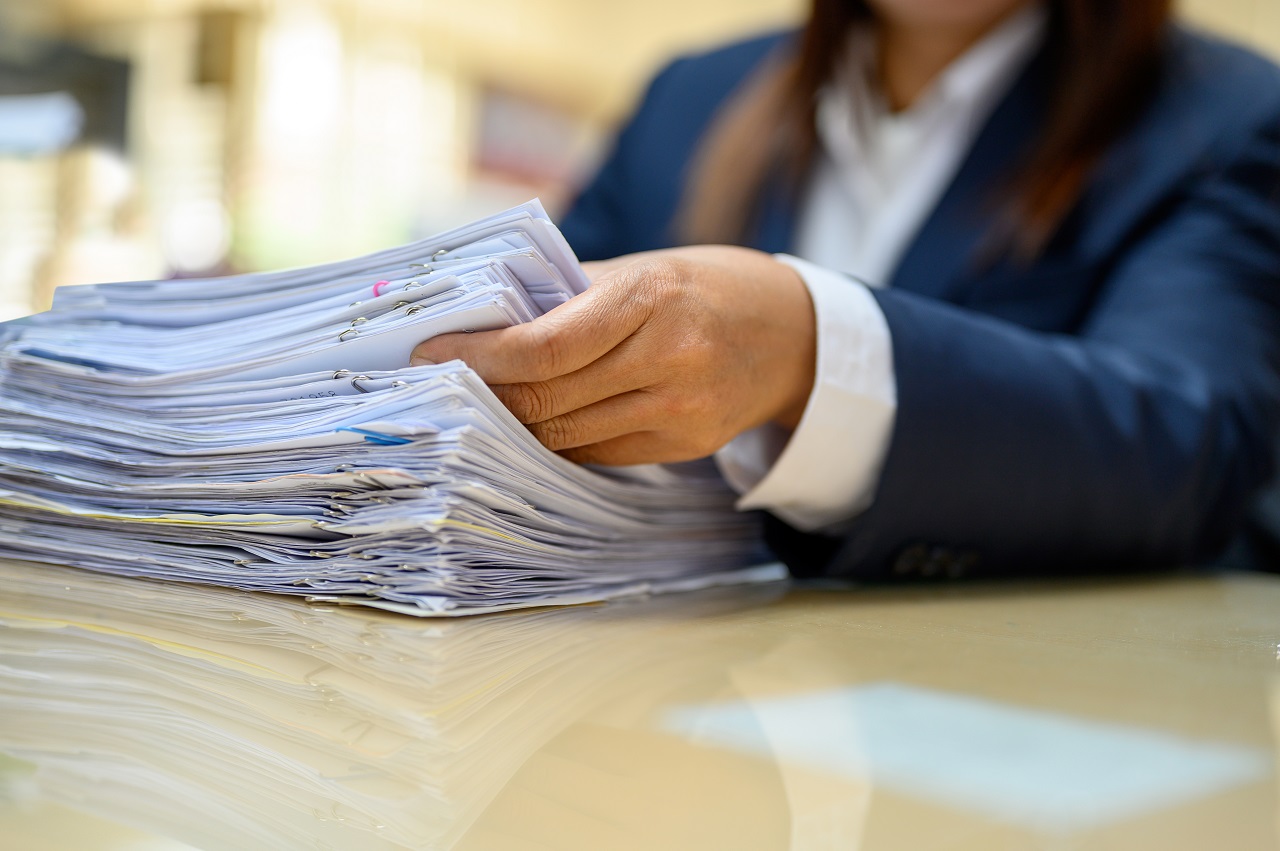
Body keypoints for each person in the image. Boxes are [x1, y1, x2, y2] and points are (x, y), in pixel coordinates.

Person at [412, 0, 1280, 581]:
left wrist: (816, 350)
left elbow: (1191, 444)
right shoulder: (691, 96)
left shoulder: (1221, 116)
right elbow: (520, 349)